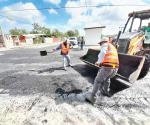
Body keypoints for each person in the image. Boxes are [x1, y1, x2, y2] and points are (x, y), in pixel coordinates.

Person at [85, 37, 119, 104]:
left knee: (97, 81)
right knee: (107, 79)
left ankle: (92, 98)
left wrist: (99, 62)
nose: (100, 45)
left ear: (103, 42)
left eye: (100, 43)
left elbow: (103, 53)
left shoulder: (105, 45)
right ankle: (106, 92)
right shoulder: (112, 47)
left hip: (107, 68)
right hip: (115, 68)